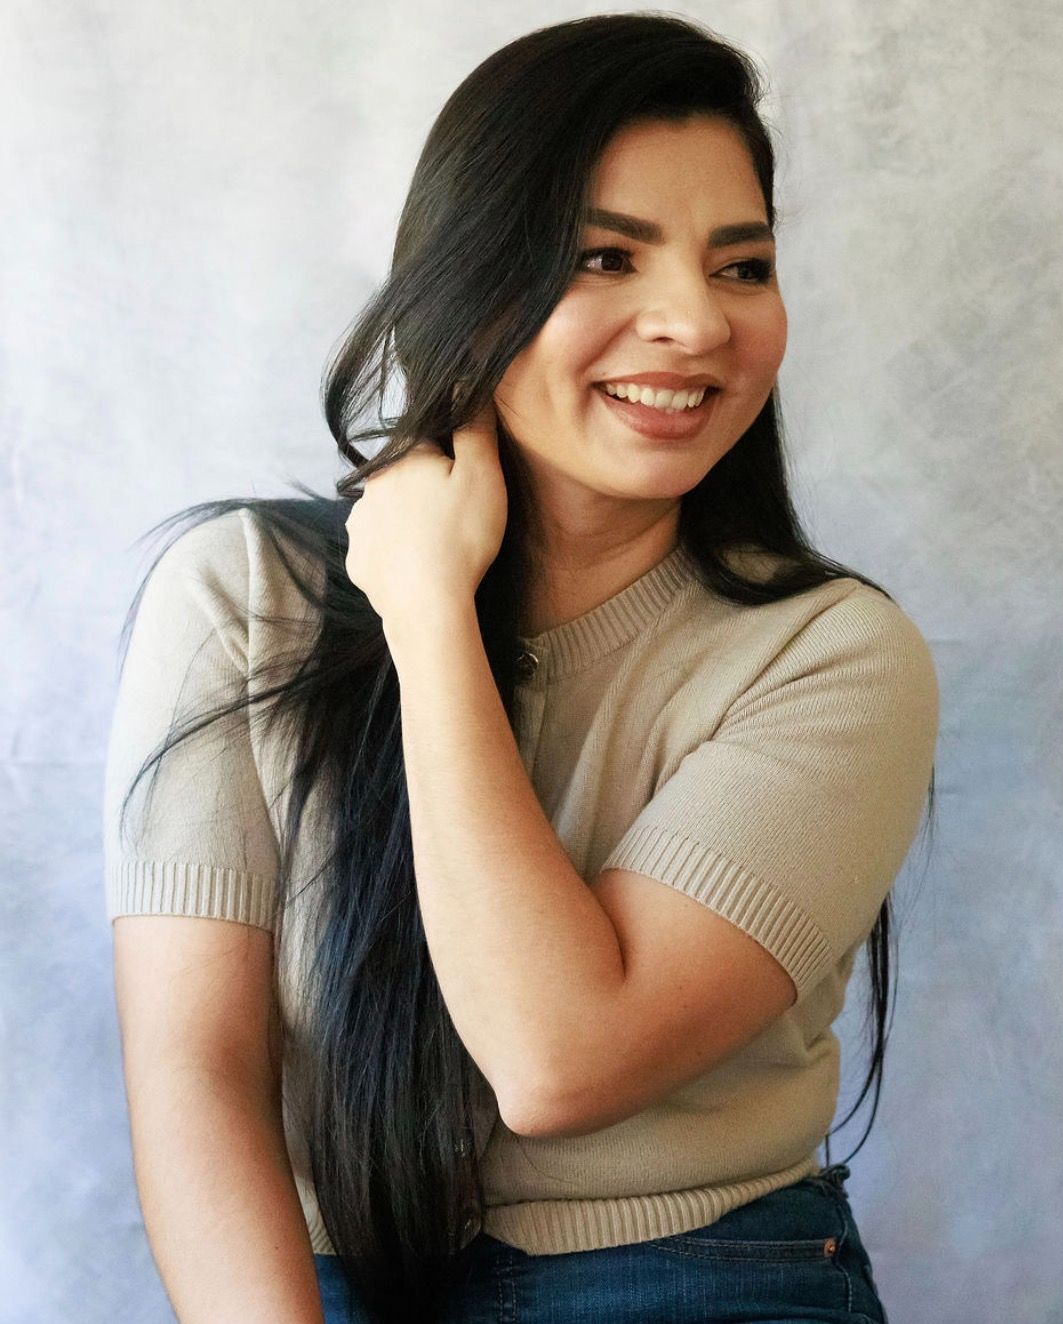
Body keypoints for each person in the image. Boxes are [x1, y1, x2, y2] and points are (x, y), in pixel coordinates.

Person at [104, 13, 938, 1323]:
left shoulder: (831, 656)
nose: (693, 323)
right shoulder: (245, 595)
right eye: (605, 256)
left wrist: (429, 612)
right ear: (468, 286)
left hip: (697, 1274)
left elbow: (557, 1061)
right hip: (326, 1280)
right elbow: (195, 1071)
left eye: (742, 266)